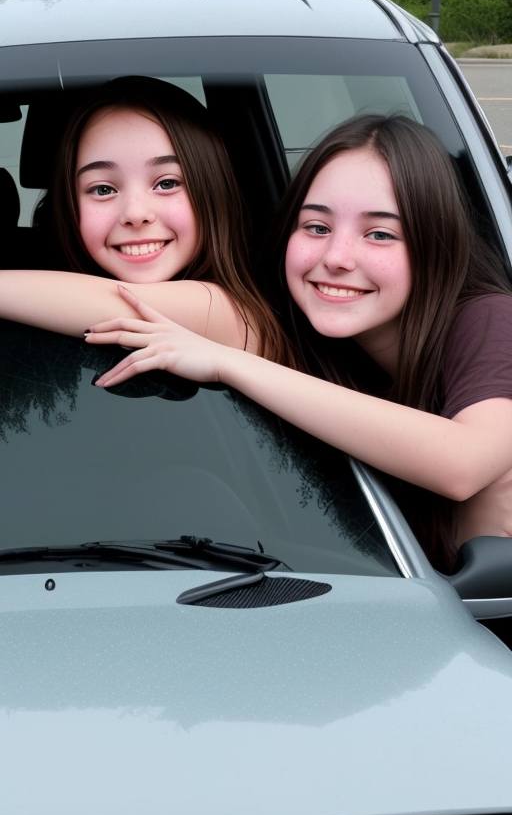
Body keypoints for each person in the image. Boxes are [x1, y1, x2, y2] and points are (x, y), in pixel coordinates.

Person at [84, 114, 512, 570]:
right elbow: (108, 306)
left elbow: (462, 465)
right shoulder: (288, 319)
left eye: (380, 234)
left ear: (435, 244)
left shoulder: (489, 318)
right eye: (317, 228)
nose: (337, 258)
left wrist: (230, 363)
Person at [0, 76, 286, 362]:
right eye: (103, 189)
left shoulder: (233, 311)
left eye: (166, 183)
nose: (136, 214)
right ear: (71, 208)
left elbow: (120, 306)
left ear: (211, 190)